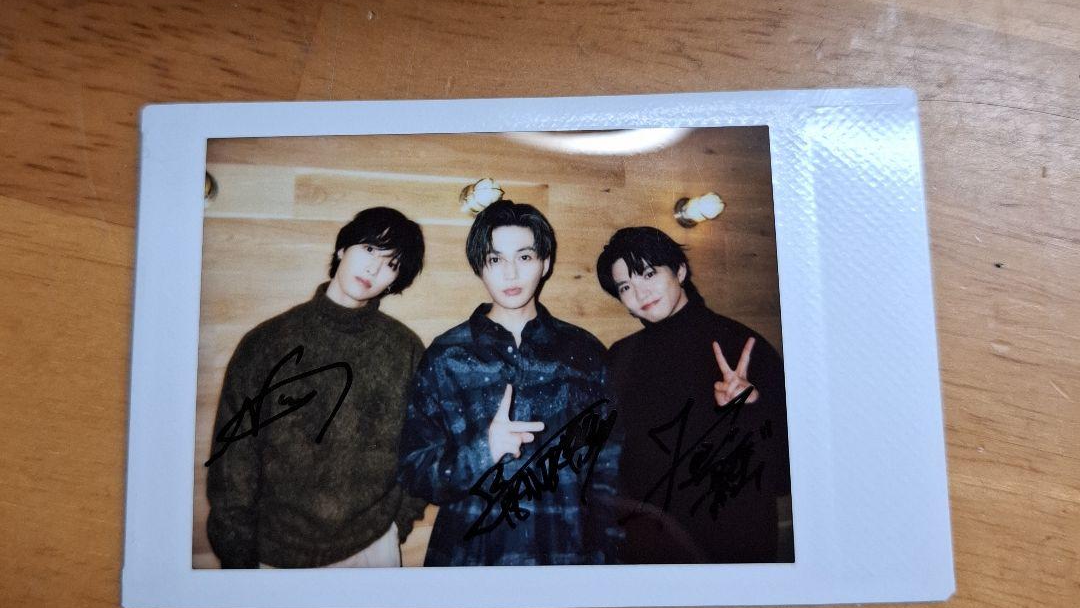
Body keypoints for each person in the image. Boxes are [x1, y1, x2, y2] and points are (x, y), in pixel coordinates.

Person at [398, 200, 619, 566]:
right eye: (495, 259)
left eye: (525, 257)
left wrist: (609, 558)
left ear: (545, 263)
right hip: (472, 560)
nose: (511, 273)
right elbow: (413, 472)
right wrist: (482, 451)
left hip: (567, 557)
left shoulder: (584, 351)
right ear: (479, 267)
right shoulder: (447, 356)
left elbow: (610, 466)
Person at [206, 207, 428, 569]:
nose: (374, 268)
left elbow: (422, 446)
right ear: (342, 248)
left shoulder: (405, 348)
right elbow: (233, 463)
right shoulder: (267, 342)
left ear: (395, 280)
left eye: (391, 263)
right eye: (369, 249)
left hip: (372, 546)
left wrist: (398, 523)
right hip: (277, 552)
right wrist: (237, 557)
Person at [596, 226, 792, 564]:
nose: (640, 292)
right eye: (625, 286)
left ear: (680, 271)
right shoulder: (620, 356)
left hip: (730, 546)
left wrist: (752, 409)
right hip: (647, 544)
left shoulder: (740, 345)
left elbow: (783, 474)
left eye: (649, 274)